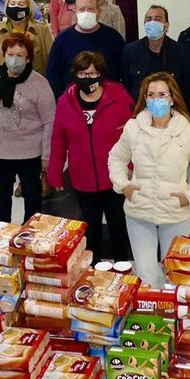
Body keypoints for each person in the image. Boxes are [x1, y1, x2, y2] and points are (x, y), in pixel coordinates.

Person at [108, 73, 190, 286]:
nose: (156, 100)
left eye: (162, 95)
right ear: (145, 98)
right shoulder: (133, 128)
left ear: (172, 98)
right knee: (145, 276)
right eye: (151, 95)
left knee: (174, 276)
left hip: (175, 212)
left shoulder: (188, 131)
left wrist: (189, 196)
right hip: (139, 211)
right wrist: (123, 186)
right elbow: (116, 158)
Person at [49, 51, 134, 260]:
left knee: (119, 229)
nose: (88, 78)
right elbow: (58, 140)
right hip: (82, 180)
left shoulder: (119, 97)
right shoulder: (65, 102)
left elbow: (134, 135)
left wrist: (132, 168)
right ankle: (94, 272)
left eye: (94, 73)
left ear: (101, 74)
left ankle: (122, 269)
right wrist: (55, 171)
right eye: (83, 74)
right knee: (90, 232)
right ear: (75, 75)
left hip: (115, 178)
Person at [0, 33, 56, 222]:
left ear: (28, 58)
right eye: (10, 54)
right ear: (4, 54)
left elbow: (50, 121)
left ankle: (30, 236)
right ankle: (3, 235)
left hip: (29, 154)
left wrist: (46, 156)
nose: (14, 59)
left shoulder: (39, 83)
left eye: (20, 55)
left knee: (32, 202)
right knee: (0, 201)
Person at [45, 0, 126, 95]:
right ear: (75, 11)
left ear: (99, 11)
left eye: (90, 9)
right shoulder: (62, 40)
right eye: (82, 9)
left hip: (109, 99)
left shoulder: (113, 37)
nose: (86, 13)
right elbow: (52, 75)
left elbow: (125, 70)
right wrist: (61, 100)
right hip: (71, 99)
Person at [121, 5, 190, 107]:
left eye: (157, 19)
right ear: (144, 24)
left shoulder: (182, 54)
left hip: (172, 111)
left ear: (166, 25)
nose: (152, 23)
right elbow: (126, 87)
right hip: (141, 111)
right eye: (149, 19)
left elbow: (188, 91)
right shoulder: (130, 52)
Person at [0, 0, 54, 75]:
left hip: (34, 79)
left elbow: (52, 59)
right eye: (12, 4)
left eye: (20, 4)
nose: (16, 7)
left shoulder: (42, 29)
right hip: (5, 79)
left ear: (28, 8)